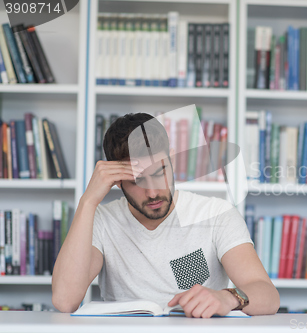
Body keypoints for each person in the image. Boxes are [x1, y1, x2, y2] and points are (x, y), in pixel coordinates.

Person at [52, 113, 280, 318]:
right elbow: (65, 301)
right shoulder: (101, 220)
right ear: (116, 180)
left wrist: (229, 298)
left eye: (160, 172)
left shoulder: (216, 215)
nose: (152, 193)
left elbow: (267, 295)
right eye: (136, 180)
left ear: (172, 159)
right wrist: (87, 201)